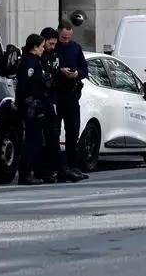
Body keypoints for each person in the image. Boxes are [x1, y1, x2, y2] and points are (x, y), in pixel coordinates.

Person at [16, 33, 83, 185]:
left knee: (43, 140)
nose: (43, 49)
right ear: (35, 47)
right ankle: (25, 174)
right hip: (34, 106)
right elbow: (27, 86)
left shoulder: (38, 60)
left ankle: (55, 170)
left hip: (42, 105)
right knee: (33, 141)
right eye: (41, 47)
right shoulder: (30, 62)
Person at [54, 21, 91, 181]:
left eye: (69, 37)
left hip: (72, 93)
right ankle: (58, 167)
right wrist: (59, 71)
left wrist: (77, 74)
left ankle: (73, 165)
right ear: (58, 33)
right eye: (63, 37)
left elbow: (84, 69)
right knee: (54, 131)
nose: (66, 40)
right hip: (57, 93)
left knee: (73, 131)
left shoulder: (75, 48)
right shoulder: (53, 47)